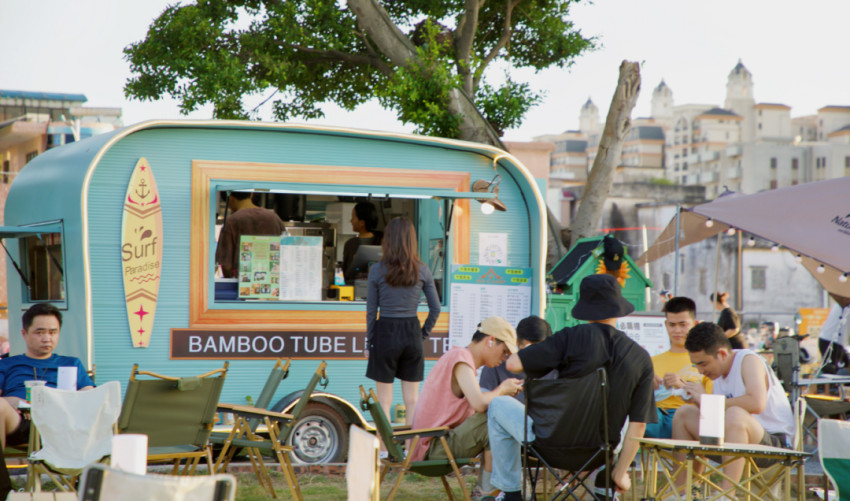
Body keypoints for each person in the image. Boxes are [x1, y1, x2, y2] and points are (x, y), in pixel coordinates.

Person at [487, 274, 656, 501]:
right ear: (619, 308)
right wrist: (621, 471)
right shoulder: (641, 358)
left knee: (498, 404)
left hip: (548, 444)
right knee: (626, 417)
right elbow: (639, 424)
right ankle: (606, 487)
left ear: (584, 307)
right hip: (601, 451)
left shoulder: (569, 338)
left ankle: (511, 493)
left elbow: (513, 364)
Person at [671, 322, 794, 496]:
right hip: (734, 441)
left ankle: (726, 495)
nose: (700, 371)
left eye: (703, 364)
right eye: (695, 365)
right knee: (684, 414)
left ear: (722, 354)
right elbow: (718, 413)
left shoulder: (748, 360)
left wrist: (708, 401)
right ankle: (682, 492)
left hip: (775, 446)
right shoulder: (717, 374)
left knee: (735, 414)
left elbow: (756, 403)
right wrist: (699, 401)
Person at [410, 316, 523, 498]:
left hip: (431, 444)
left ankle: (491, 490)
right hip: (432, 449)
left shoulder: (459, 357)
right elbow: (479, 404)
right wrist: (502, 390)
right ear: (490, 341)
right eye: (504, 352)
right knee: (494, 420)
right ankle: (488, 493)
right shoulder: (461, 359)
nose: (504, 359)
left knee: (494, 418)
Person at [365, 217, 440, 429]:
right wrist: (421, 335)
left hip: (385, 332)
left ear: (387, 240)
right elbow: (435, 309)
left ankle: (384, 446)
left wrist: (369, 343)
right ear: (412, 240)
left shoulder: (376, 270)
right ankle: (411, 447)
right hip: (411, 331)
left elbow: (371, 312)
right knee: (412, 401)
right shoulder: (423, 270)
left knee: (383, 401)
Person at [0, 303, 95, 449]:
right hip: (21, 423)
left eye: (52, 332)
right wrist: (10, 401)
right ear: (24, 334)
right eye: (40, 332)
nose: (46, 338)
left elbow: (90, 395)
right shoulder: (6, 364)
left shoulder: (71, 363)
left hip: (61, 425)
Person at [646, 296, 712, 439]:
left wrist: (682, 386)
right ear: (666, 325)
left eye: (683, 325)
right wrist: (646, 385)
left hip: (689, 418)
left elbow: (712, 405)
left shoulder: (706, 362)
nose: (677, 330)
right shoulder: (650, 361)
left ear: (695, 324)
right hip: (655, 418)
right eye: (672, 325)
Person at [479, 316, 553, 404]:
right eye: (529, 349)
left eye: (540, 350)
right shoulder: (496, 366)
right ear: (517, 342)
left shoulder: (555, 370)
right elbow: (482, 405)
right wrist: (502, 391)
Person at [215, 191, 287, 278]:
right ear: (251, 194)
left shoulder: (231, 221)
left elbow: (226, 265)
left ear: (230, 199)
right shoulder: (275, 218)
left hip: (240, 283)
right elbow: (286, 255)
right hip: (273, 282)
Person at [343, 202, 383, 283]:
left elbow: (345, 273)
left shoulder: (351, 244)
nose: (351, 221)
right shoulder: (384, 241)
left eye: (353, 217)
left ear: (362, 223)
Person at [818, 294, 850, 374]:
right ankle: (825, 379)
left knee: (844, 364)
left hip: (836, 341)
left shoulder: (842, 303)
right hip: (829, 339)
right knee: (831, 368)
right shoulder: (843, 304)